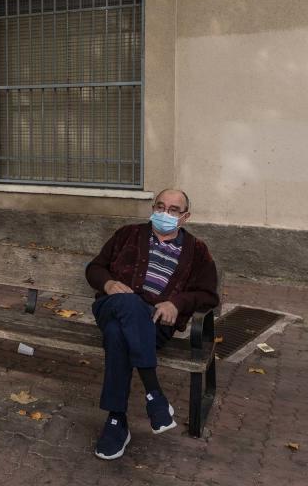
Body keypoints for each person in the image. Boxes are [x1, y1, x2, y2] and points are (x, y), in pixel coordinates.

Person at [86, 188, 219, 460]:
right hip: (112, 306)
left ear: (185, 217)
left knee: (116, 335)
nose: (164, 214)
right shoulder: (128, 234)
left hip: (155, 324)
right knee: (129, 303)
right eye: (160, 207)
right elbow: (95, 268)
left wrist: (177, 303)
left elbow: (208, 295)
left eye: (173, 210)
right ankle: (154, 394)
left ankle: (116, 420)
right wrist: (109, 283)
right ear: (153, 208)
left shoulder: (197, 251)